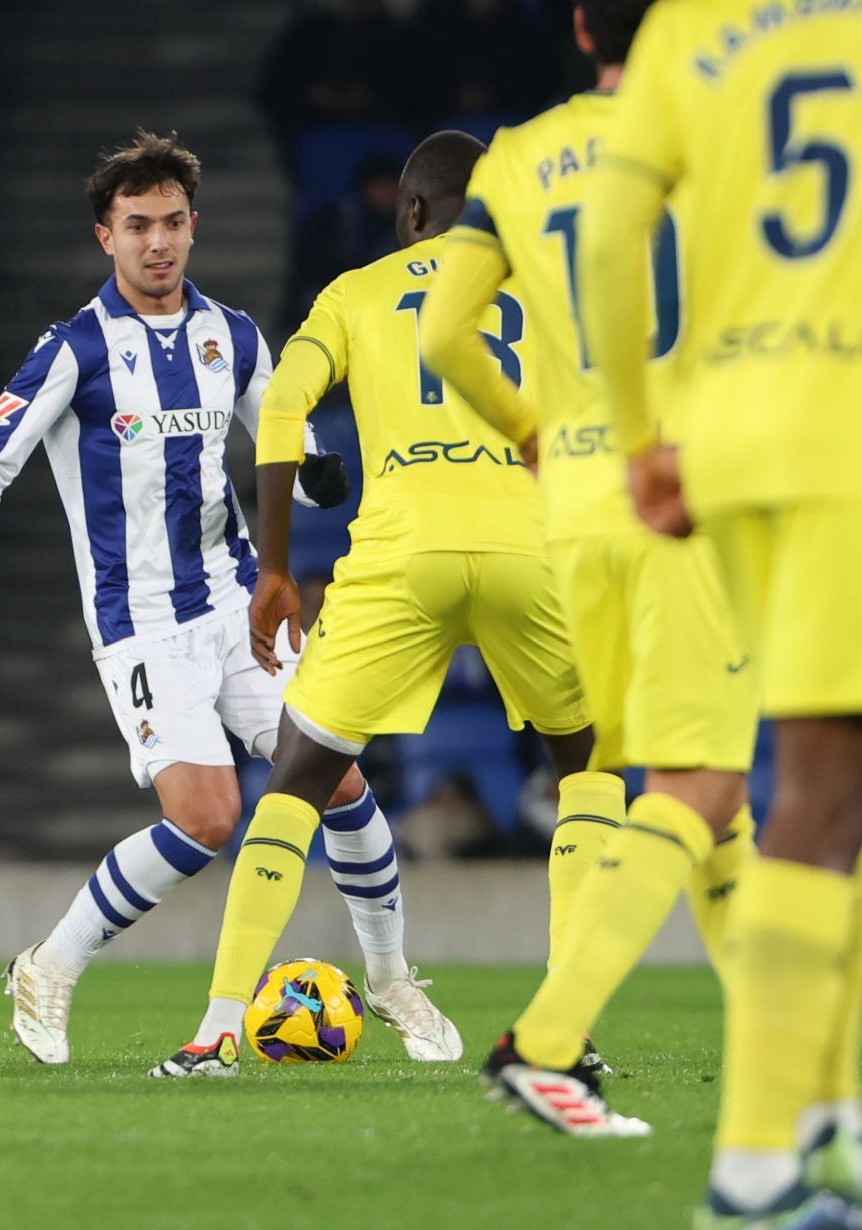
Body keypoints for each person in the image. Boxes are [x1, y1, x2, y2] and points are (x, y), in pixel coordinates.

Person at [0, 131, 462, 1069]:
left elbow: (276, 424)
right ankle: (49, 964)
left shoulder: (233, 335)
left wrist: (323, 468)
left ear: (194, 227)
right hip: (143, 627)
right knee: (207, 817)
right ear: (105, 239)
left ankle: (394, 978)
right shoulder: (72, 351)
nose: (156, 243)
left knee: (343, 781)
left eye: (171, 223)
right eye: (137, 227)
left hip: (239, 608)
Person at [579, 0, 862, 1230]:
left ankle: (828, 1129)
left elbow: (616, 236)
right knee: (826, 796)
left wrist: (640, 433)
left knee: (826, 799)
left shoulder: (692, 26)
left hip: (729, 443)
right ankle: (750, 1169)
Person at [152, 131, 609, 1078]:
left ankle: (216, 1033)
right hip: (533, 548)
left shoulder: (357, 293)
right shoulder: (558, 303)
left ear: (409, 213)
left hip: (402, 552)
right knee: (587, 769)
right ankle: (566, 1035)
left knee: (298, 782)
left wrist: (274, 565)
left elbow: (282, 406)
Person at [418, 0, 753, 1137]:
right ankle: (546, 1041)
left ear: (576, 27)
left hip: (569, 503)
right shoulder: (711, 127)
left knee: (663, 779)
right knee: (701, 776)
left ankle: (779, 1055)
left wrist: (530, 427)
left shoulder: (513, 159)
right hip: (678, 487)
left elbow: (444, 333)